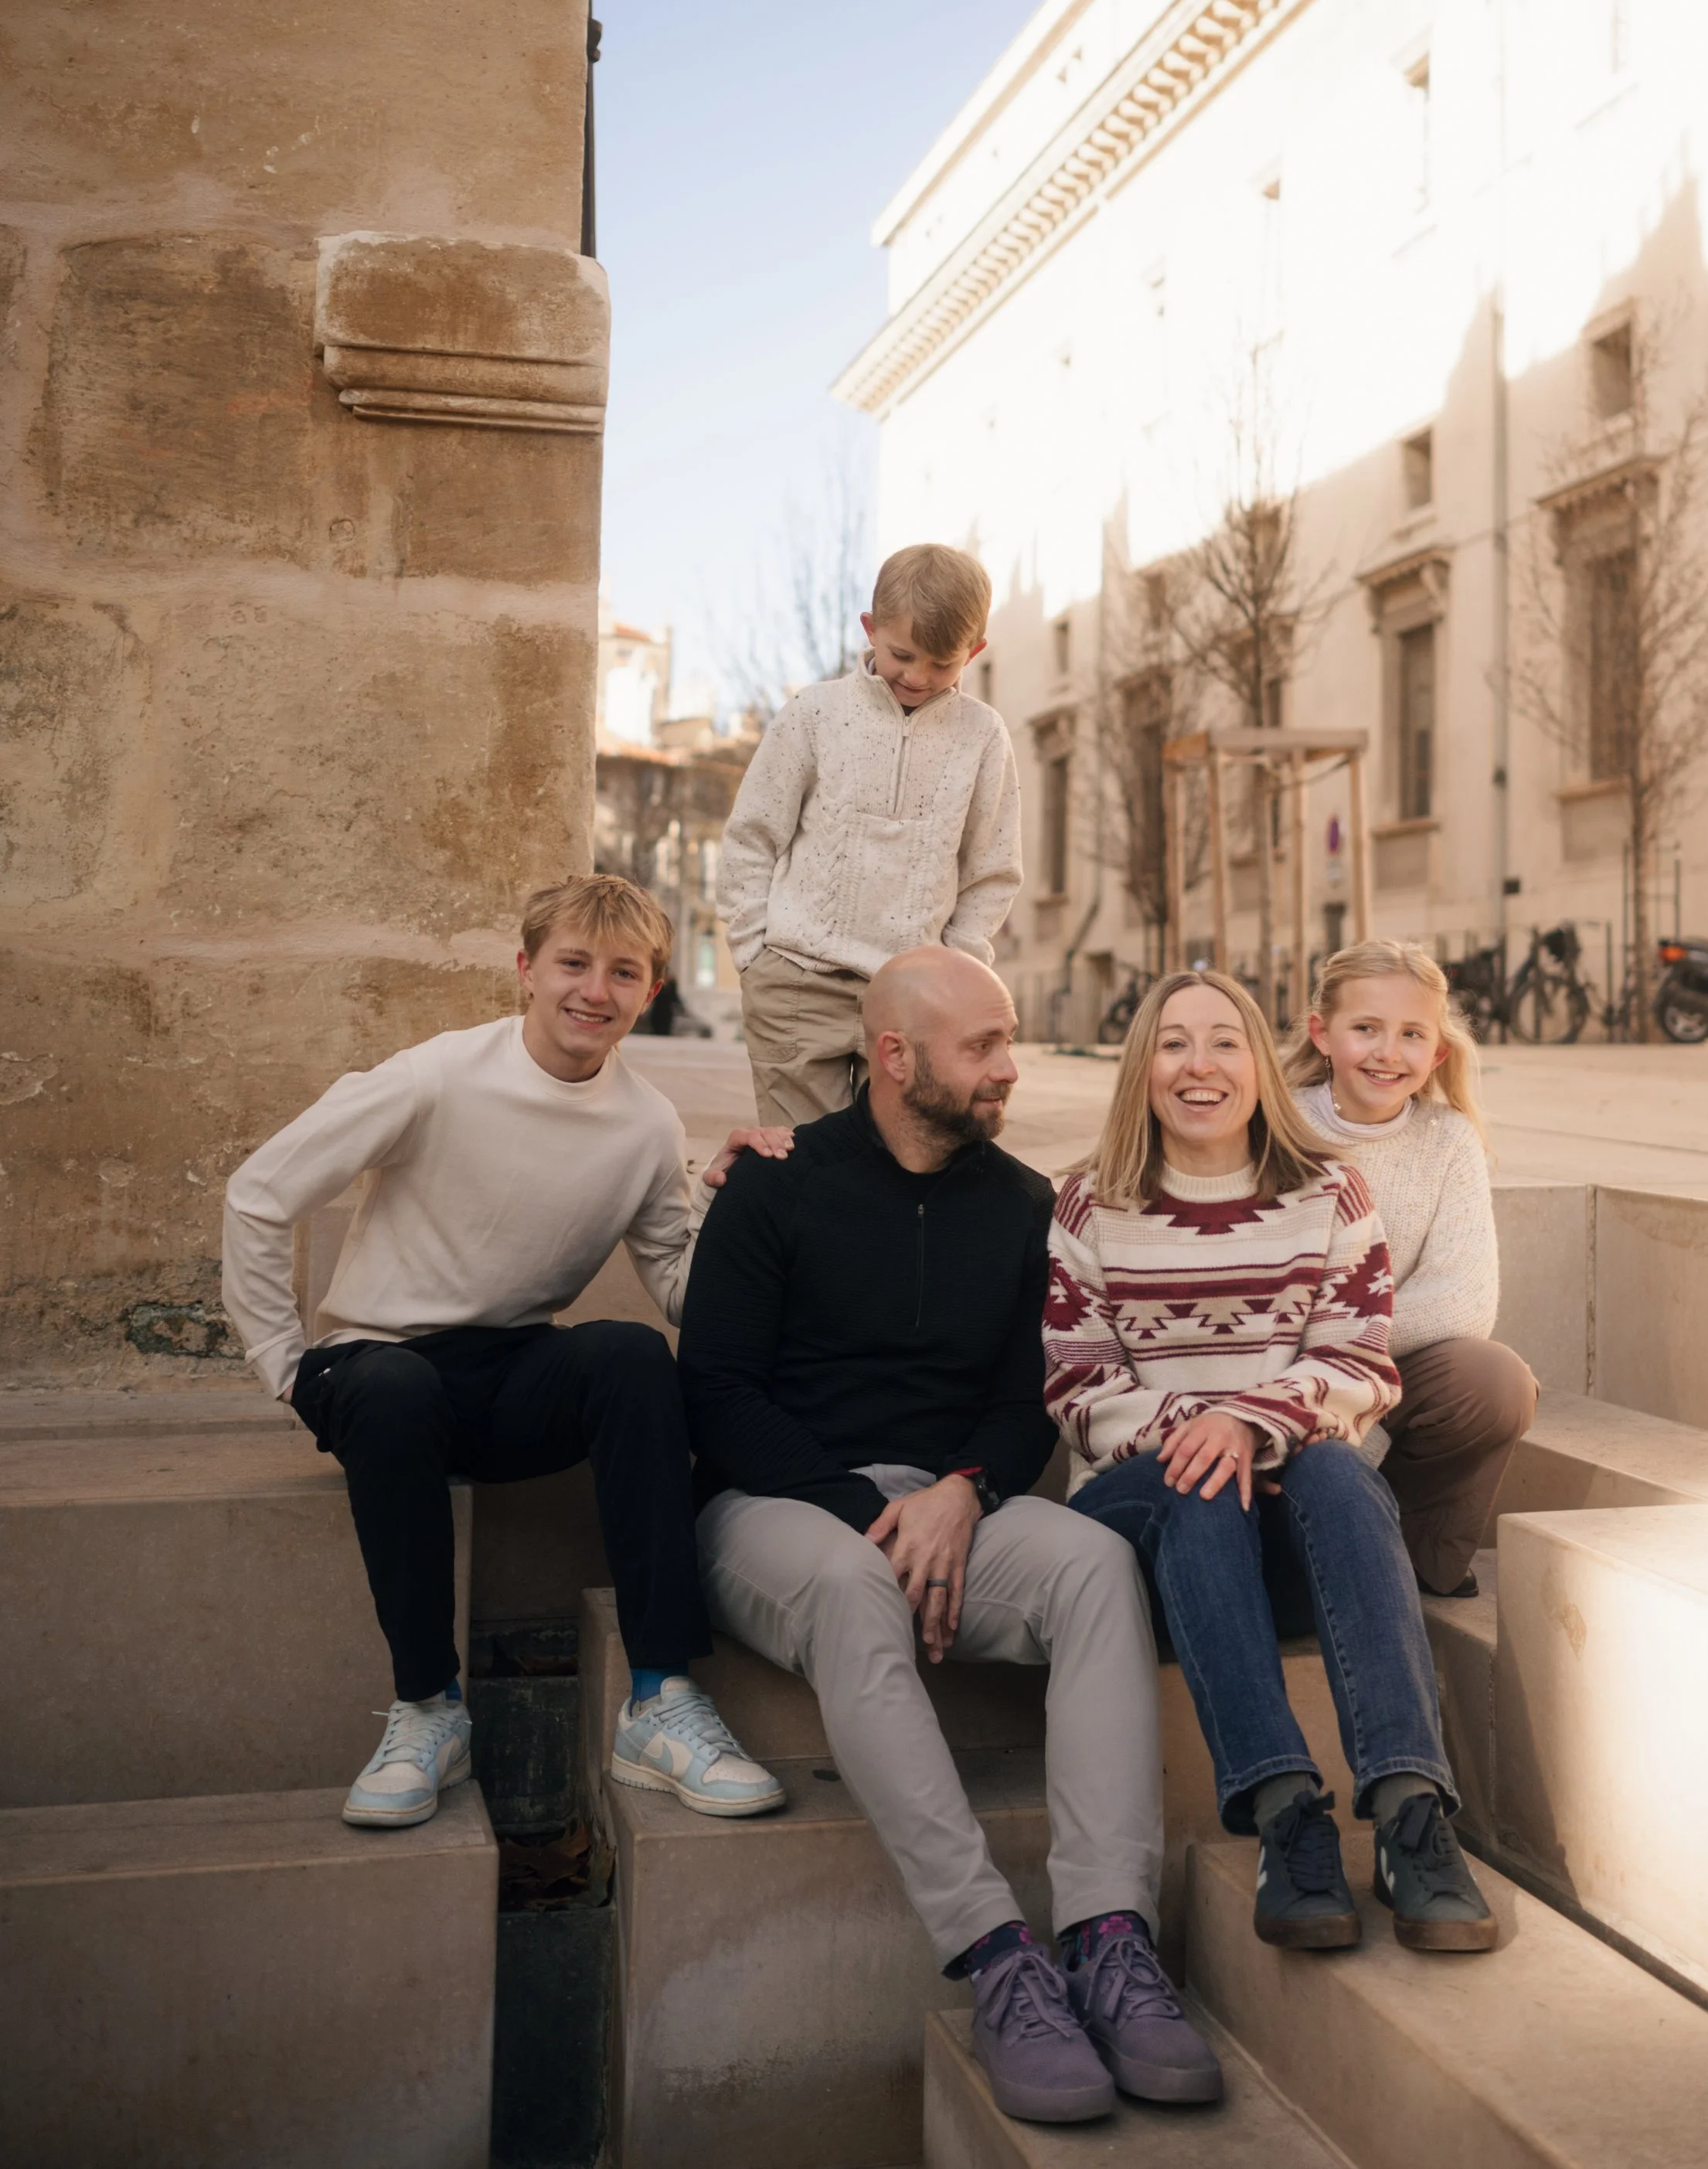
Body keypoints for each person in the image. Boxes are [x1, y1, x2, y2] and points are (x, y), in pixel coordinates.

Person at [676, 945, 1222, 2126]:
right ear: (892, 1055)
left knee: (1089, 1563)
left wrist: (966, 1486)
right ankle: (994, 1957)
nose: (1009, 1069)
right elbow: (716, 1393)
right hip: (772, 1515)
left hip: (947, 1507)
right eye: (982, 1046)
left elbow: (1028, 1396)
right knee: (850, 1585)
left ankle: (1110, 1938)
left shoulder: (1027, 1207)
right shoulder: (776, 1184)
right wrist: (866, 1513)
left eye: (1009, 1040)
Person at [223, 873, 786, 1832]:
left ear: (649, 993)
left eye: (622, 973)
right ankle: (428, 1712)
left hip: (509, 1376)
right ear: (527, 970)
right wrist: (283, 1364)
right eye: (572, 963)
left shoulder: (646, 1123)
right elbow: (260, 1192)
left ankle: (660, 1700)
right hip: (376, 1363)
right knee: (395, 1388)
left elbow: (683, 1292)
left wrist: (730, 1209)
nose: (593, 991)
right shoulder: (436, 1075)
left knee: (632, 1357)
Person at [1046, 969, 1498, 1958]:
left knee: (1342, 1474)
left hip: (1285, 1506)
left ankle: (1411, 1810)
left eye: (1223, 1042)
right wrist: (1201, 1433)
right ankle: (1284, 1810)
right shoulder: (1089, 1203)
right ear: (1142, 1065)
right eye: (1173, 1043)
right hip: (1139, 1528)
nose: (1198, 1066)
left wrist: (1249, 1425)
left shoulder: (1331, 1193)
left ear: (1261, 1063)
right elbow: (1078, 1389)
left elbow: (1360, 1361)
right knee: (1197, 1485)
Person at [718, 543, 1022, 1128]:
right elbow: (752, 835)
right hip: (796, 984)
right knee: (804, 1165)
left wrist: (954, 971)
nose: (917, 676)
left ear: (974, 653)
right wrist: (752, 952)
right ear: (870, 628)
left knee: (903, 1163)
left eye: (942, 664)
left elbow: (993, 870)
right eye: (902, 654)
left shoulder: (984, 736)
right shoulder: (814, 713)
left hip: (917, 1003)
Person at [1283, 940, 1537, 1599]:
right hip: (1283, 1371)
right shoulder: (1279, 1127)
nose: (1388, 1052)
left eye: (1411, 1034)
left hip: (1382, 1361)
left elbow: (1464, 1299)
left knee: (1497, 1381)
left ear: (1438, 1053)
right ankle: (1319, 1543)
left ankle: (1415, 1551)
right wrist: (1317, 1374)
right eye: (1366, 1028)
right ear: (1323, 1033)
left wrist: (1349, 1356)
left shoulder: (1448, 1140)